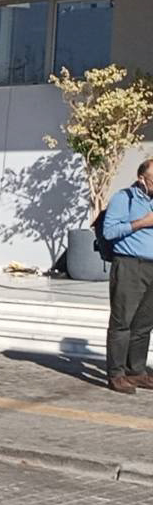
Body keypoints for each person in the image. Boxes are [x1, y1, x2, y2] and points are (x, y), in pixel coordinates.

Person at [102, 157, 153, 394]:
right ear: (142, 178)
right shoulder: (124, 198)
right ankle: (116, 374)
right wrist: (143, 222)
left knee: (144, 323)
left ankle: (137, 371)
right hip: (130, 265)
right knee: (122, 322)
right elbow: (109, 231)